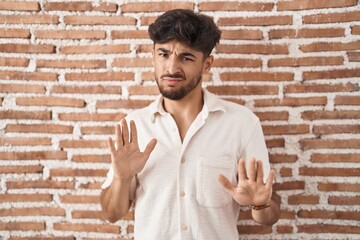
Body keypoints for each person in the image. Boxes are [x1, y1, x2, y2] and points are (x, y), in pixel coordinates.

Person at [100, 9, 281, 240]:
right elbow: (111, 214)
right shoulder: (134, 126)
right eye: (163, 54)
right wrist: (122, 178)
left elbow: (271, 215)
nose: (172, 68)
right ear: (153, 56)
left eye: (186, 58)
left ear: (207, 65)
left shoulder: (242, 123)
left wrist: (261, 204)